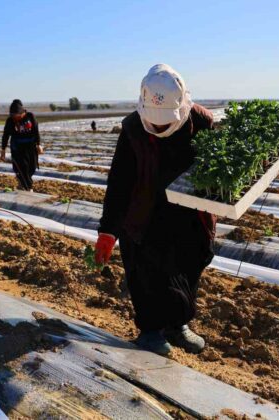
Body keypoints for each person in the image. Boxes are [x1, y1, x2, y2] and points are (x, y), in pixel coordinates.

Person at [94, 64, 217, 356]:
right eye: (156, 122)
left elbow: (216, 166)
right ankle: (150, 331)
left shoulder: (201, 121)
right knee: (146, 270)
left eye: (165, 123)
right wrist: (108, 230)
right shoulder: (133, 128)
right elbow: (119, 181)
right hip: (145, 211)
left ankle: (178, 326)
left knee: (188, 265)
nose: (160, 127)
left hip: (188, 211)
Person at [1, 99, 43, 190]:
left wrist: (38, 144)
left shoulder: (30, 117)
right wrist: (3, 149)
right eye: (13, 116)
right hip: (17, 148)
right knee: (22, 168)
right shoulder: (10, 121)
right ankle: (28, 188)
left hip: (30, 147)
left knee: (31, 168)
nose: (15, 118)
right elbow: (6, 135)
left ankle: (23, 183)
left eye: (17, 116)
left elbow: (36, 131)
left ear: (22, 113)